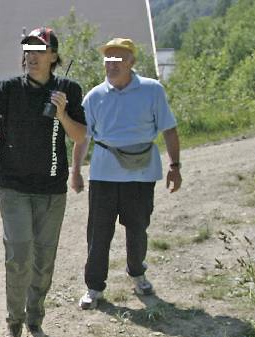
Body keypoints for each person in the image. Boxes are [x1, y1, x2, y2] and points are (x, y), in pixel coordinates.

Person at [0, 27, 86, 337]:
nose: (31, 56)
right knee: (19, 253)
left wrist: (62, 113)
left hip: (52, 189)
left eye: (39, 50)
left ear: (53, 56)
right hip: (14, 186)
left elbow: (79, 137)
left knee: (44, 259)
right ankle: (13, 325)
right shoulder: (8, 89)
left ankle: (35, 320)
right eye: (28, 50)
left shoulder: (69, 90)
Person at [69, 38, 182, 310]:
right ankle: (94, 287)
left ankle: (137, 273)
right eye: (108, 59)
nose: (111, 64)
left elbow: (169, 129)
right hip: (104, 174)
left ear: (131, 62)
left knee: (137, 229)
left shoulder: (152, 91)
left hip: (141, 173)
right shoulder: (95, 96)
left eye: (118, 59)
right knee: (98, 233)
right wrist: (76, 171)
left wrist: (175, 167)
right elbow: (83, 138)